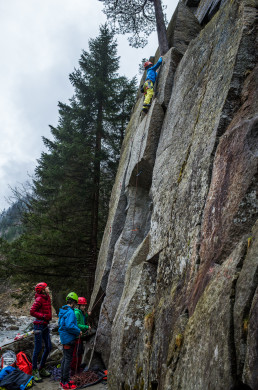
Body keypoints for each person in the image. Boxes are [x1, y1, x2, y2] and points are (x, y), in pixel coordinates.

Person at [30, 282, 52, 382]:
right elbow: (32, 312)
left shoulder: (47, 297)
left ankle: (41, 368)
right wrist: (43, 316)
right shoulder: (39, 299)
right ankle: (34, 371)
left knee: (49, 347)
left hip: (45, 325)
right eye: (46, 287)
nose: (48, 288)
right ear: (43, 290)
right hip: (38, 325)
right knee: (38, 348)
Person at [58, 292, 81, 390]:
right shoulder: (71, 312)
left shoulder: (63, 310)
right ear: (74, 302)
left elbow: (61, 324)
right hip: (69, 339)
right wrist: (78, 331)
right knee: (68, 360)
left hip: (64, 338)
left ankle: (63, 380)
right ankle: (65, 382)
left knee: (65, 359)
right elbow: (69, 326)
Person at [71, 297, 91, 375]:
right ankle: (74, 370)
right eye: (82, 305)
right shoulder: (77, 313)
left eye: (84, 305)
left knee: (79, 352)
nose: (84, 307)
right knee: (76, 353)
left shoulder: (81, 312)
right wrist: (86, 327)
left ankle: (78, 367)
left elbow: (83, 318)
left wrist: (87, 315)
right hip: (76, 336)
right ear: (78, 305)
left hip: (80, 336)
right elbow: (78, 325)